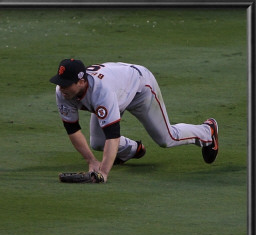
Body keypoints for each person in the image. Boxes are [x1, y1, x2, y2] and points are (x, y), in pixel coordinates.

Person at [49, 58, 219, 183]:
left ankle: (207, 131)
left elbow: (113, 135)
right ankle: (132, 150)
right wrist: (92, 161)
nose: (61, 88)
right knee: (98, 142)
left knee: (167, 139)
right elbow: (72, 129)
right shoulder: (62, 92)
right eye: (60, 82)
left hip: (140, 88)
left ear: (81, 81)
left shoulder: (102, 91)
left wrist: (103, 172)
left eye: (66, 84)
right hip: (118, 88)